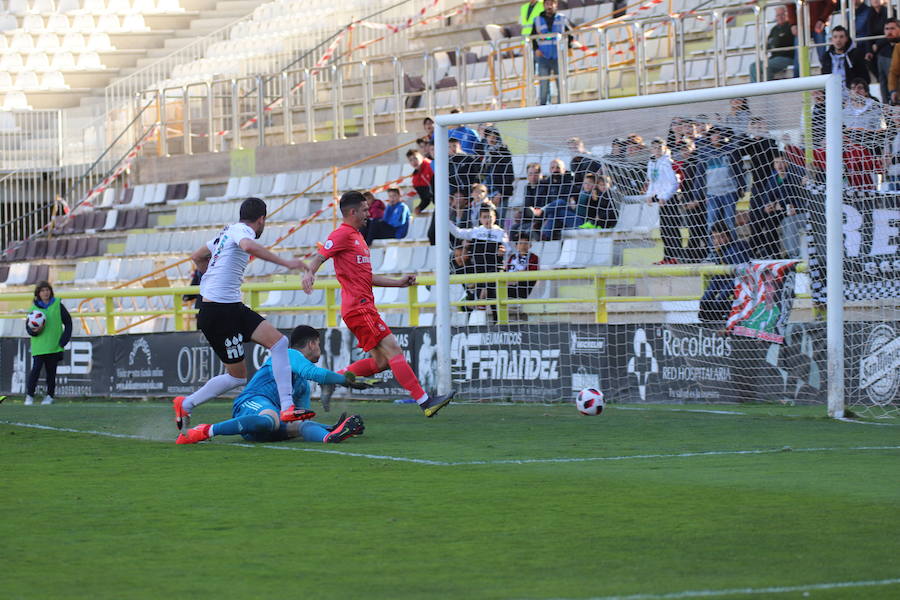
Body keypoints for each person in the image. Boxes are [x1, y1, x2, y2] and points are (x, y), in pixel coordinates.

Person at [303, 191, 454, 415]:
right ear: (352, 212)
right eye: (365, 210)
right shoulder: (342, 234)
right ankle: (425, 402)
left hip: (362, 307)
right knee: (394, 350)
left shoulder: (359, 238)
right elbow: (320, 256)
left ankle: (332, 380)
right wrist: (309, 273)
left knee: (382, 362)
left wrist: (398, 283)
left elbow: (367, 277)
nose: (369, 214)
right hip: (358, 307)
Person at [173, 197, 308, 433]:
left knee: (279, 343)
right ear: (261, 219)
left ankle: (287, 407)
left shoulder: (226, 233)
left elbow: (197, 256)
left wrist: (210, 279)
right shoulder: (241, 231)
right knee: (236, 377)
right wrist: (285, 262)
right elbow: (247, 246)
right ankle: (185, 404)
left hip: (230, 306)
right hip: (218, 313)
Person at [176, 325, 372, 445]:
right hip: (250, 404)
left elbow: (299, 419)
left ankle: (330, 437)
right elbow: (313, 372)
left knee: (298, 425)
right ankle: (203, 431)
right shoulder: (289, 354)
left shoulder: (302, 385)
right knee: (270, 419)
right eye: (318, 345)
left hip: (264, 426)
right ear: (312, 343)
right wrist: (345, 380)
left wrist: (332, 427)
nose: (319, 349)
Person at [448, 203, 509, 317]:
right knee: (481, 297)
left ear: (495, 217)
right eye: (485, 217)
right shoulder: (476, 232)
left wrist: (504, 252)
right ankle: (478, 322)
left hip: (495, 269)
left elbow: (510, 250)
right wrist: (445, 221)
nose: (488, 220)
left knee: (494, 297)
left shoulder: (500, 233)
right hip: (480, 271)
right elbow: (458, 232)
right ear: (480, 218)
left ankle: (499, 323)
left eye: (490, 216)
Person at [24, 280, 72, 405]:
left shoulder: (57, 304)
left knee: (51, 372)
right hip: (39, 346)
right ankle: (29, 396)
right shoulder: (34, 309)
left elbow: (68, 322)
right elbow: (28, 328)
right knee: (35, 370)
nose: (45, 293)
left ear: (50, 292)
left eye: (47, 290)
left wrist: (64, 339)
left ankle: (50, 396)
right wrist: (35, 331)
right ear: (38, 293)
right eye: (42, 291)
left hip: (54, 346)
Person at [696, 126, 745, 241]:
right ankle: (713, 252)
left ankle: (732, 250)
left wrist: (742, 186)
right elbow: (699, 174)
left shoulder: (731, 150)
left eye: (719, 134)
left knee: (729, 222)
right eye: (714, 134)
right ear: (710, 137)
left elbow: (739, 169)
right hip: (712, 193)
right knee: (711, 222)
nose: (716, 136)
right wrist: (697, 194)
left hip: (730, 192)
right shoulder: (704, 153)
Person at [698, 221, 751, 323]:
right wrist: (706, 299)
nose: (717, 241)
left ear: (728, 237)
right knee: (705, 302)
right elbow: (719, 278)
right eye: (714, 238)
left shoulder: (734, 250)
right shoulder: (720, 251)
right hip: (727, 283)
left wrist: (722, 296)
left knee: (718, 302)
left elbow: (742, 274)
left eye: (720, 237)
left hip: (743, 286)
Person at [531, 0, 574, 105]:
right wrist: (536, 49)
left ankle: (562, 106)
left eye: (552, 3)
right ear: (544, 5)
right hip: (543, 57)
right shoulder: (537, 20)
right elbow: (532, 37)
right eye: (547, 4)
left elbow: (570, 35)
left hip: (558, 56)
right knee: (544, 84)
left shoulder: (562, 18)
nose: (549, 6)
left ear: (556, 5)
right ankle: (543, 107)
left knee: (561, 83)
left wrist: (568, 47)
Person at [645, 138, 680, 264]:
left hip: (669, 199)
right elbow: (652, 182)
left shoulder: (668, 162)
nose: (657, 150)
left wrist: (664, 197)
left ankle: (676, 257)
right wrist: (649, 195)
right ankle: (667, 257)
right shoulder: (652, 162)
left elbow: (674, 183)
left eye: (660, 147)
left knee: (672, 229)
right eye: (654, 147)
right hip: (659, 199)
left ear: (664, 148)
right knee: (664, 230)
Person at [748, 5, 794, 82]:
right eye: (778, 15)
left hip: (787, 57)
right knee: (753, 66)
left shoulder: (791, 26)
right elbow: (769, 44)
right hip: (774, 58)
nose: (780, 17)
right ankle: (754, 90)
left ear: (787, 14)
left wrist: (776, 42)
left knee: (766, 65)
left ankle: (767, 89)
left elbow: (783, 42)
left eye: (782, 14)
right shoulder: (774, 29)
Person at [506, 235, 540, 321]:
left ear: (530, 245)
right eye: (520, 243)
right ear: (516, 246)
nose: (523, 246)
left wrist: (518, 276)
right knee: (495, 290)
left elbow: (533, 273)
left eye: (526, 243)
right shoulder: (512, 257)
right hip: (510, 284)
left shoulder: (534, 257)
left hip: (524, 284)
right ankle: (497, 319)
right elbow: (507, 270)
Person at [875, 18, 900, 103]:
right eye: (887, 29)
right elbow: (883, 81)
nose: (889, 32)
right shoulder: (882, 52)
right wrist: (885, 104)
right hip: (895, 99)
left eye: (892, 28)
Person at [408, 149, 435, 215]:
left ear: (422, 157)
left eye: (415, 158)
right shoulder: (415, 179)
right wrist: (419, 207)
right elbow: (425, 199)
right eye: (410, 160)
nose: (414, 162)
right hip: (438, 204)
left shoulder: (431, 166)